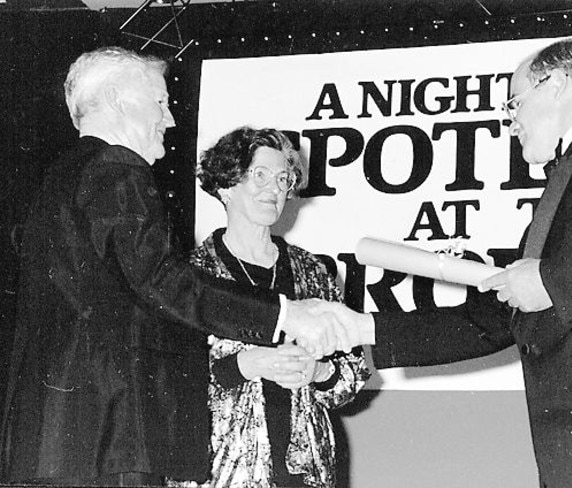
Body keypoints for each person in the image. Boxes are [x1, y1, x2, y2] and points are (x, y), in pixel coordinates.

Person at [0, 47, 353, 487]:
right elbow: (162, 280)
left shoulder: (60, 177)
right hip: (110, 437)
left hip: (57, 438)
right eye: (161, 102)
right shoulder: (117, 169)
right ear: (115, 97)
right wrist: (283, 314)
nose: (169, 120)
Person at [321, 38, 572, 488]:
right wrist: (364, 330)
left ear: (555, 85)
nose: (509, 121)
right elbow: (500, 318)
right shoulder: (564, 179)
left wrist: (552, 281)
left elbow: (551, 285)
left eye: (515, 102)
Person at [179, 126, 370, 488]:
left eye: (283, 178)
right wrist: (243, 366)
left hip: (305, 473)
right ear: (225, 185)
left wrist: (318, 372)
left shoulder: (312, 271)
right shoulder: (191, 275)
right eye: (260, 175)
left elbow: (353, 374)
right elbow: (169, 384)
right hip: (220, 473)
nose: (274, 188)